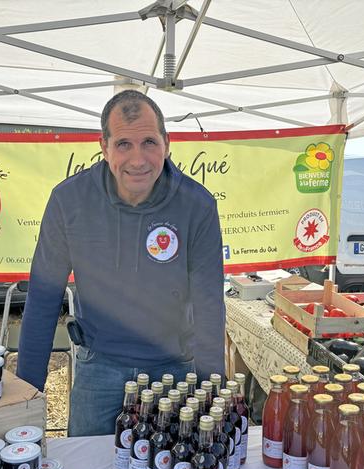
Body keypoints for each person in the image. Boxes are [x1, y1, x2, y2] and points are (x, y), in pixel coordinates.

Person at [17, 90, 226, 437]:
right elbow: (43, 298)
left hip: (172, 370)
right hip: (98, 366)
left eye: (149, 142)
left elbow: (208, 305)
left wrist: (211, 395)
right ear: (104, 146)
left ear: (167, 143)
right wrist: (27, 396)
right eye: (124, 145)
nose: (138, 159)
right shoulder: (69, 200)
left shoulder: (197, 205)